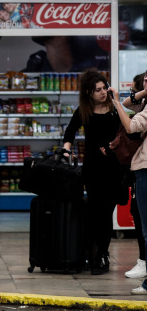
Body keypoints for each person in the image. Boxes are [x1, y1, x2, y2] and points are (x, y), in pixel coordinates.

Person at [63, 69, 123, 275]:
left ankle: (102, 254)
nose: (103, 92)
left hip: (113, 168)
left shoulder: (114, 110)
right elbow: (70, 132)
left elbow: (126, 132)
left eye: (104, 88)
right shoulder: (84, 111)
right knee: (94, 213)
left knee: (106, 213)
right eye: (98, 90)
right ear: (88, 92)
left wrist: (113, 146)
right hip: (92, 169)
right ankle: (92, 253)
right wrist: (66, 150)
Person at [123, 72, 147, 281]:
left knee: (144, 224)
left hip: (144, 167)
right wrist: (143, 93)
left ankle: (144, 263)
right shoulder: (143, 101)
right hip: (140, 168)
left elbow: (131, 126)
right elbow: (128, 103)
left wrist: (115, 101)